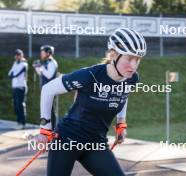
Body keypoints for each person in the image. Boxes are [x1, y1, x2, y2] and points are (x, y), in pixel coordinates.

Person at [33, 28, 147, 176]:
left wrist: (121, 123)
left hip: (96, 143)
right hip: (67, 141)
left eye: (137, 59)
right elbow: (48, 89)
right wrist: (45, 129)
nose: (133, 65)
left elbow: (123, 95)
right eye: (129, 58)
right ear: (113, 54)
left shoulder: (132, 78)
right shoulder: (89, 75)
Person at [33, 45, 58, 130]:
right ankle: (48, 129)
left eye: (43, 52)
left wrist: (41, 67)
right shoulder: (47, 62)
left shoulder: (52, 62)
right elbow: (41, 74)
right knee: (46, 110)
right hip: (46, 90)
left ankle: (53, 130)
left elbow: (49, 75)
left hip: (51, 90)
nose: (41, 54)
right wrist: (37, 67)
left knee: (50, 111)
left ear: (48, 53)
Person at [8, 49, 28, 129]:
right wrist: (12, 74)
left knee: (20, 105)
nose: (17, 56)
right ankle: (18, 122)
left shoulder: (24, 64)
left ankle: (22, 123)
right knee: (16, 105)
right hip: (15, 87)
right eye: (16, 55)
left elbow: (15, 74)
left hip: (21, 87)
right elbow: (9, 74)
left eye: (19, 54)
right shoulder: (15, 63)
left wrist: (13, 74)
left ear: (21, 55)